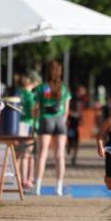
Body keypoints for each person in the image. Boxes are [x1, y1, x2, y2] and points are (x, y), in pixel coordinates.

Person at [34, 60, 71, 196]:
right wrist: (62, 120)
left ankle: (37, 187)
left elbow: (36, 108)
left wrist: (34, 123)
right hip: (60, 121)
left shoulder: (42, 88)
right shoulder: (64, 88)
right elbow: (66, 110)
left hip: (45, 120)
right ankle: (59, 187)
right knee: (59, 155)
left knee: (42, 154)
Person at [15, 70, 42, 191]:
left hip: (18, 124)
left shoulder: (19, 92)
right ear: (34, 82)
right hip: (29, 125)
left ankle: (24, 179)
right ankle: (25, 181)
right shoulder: (31, 96)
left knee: (22, 154)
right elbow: (33, 114)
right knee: (27, 154)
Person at [67, 85, 86, 166]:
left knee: (77, 142)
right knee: (71, 141)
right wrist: (73, 115)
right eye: (81, 91)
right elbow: (68, 110)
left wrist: (81, 118)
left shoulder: (81, 100)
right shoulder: (72, 99)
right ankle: (69, 147)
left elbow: (81, 111)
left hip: (76, 124)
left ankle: (74, 158)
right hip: (72, 124)